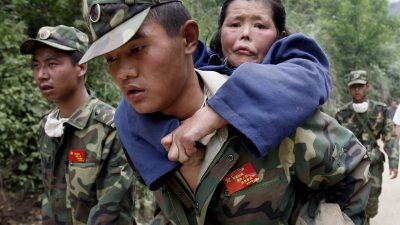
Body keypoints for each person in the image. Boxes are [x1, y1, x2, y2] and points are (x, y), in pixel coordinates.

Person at [80, 1, 370, 224]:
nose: (123, 73)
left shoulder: (277, 108)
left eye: (138, 48)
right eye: (111, 58)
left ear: (188, 38)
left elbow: (353, 168)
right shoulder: (135, 129)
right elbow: (169, 204)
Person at [20, 25, 135, 224]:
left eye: (52, 64)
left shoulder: (111, 128)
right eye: (36, 65)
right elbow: (51, 196)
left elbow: (112, 213)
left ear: (81, 66)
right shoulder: (48, 127)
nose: (41, 75)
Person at [335, 70, 399, 223]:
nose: (357, 90)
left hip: (373, 164)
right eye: (353, 87)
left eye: (360, 86)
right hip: (351, 165)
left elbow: (390, 137)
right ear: (349, 89)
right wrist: (336, 168)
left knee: (372, 202)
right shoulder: (341, 113)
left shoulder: (380, 110)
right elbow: (337, 143)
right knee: (351, 201)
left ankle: (367, 218)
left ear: (367, 87)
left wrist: (394, 162)